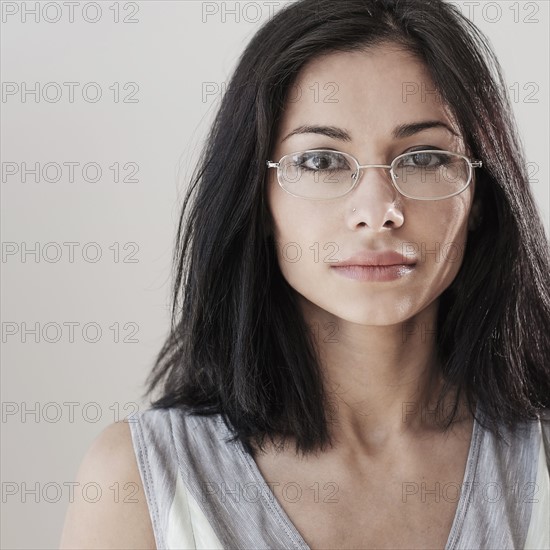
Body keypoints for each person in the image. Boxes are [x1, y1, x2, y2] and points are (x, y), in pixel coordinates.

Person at [59, 0, 550, 548]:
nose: (377, 209)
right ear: (259, 200)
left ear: (479, 195)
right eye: (321, 161)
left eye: (423, 158)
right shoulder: (137, 481)